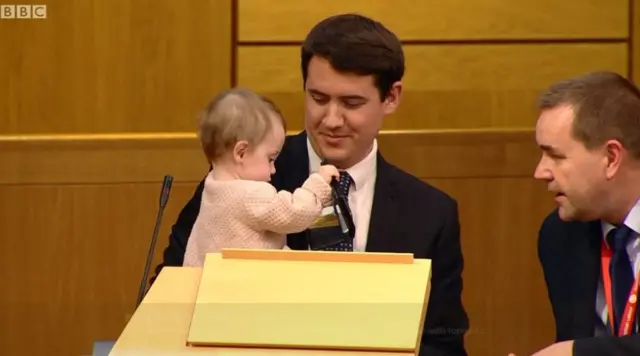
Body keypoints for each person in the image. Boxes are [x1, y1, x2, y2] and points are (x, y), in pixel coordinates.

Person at [152, 13, 469, 356]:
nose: (331, 120)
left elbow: (442, 342)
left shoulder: (431, 214)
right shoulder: (240, 181)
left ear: (391, 97)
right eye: (318, 99)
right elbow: (168, 302)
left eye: (351, 103)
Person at [529, 71, 640, 356]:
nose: (540, 172)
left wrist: (577, 353)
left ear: (611, 158)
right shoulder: (560, 235)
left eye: (556, 156)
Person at [182, 87, 340, 267]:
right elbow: (294, 213)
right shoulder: (252, 194)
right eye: (270, 159)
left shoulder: (213, 187)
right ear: (241, 152)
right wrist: (318, 185)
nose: (274, 169)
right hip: (249, 287)